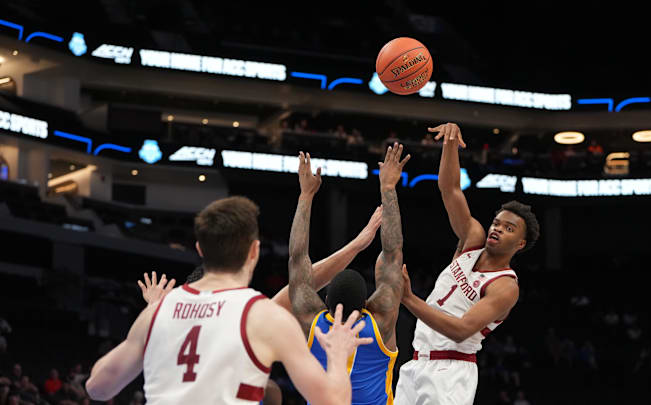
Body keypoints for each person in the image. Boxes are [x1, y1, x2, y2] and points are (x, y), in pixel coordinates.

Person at [85, 195, 373, 405]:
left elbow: (97, 388)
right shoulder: (264, 317)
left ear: (199, 248)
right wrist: (337, 355)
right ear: (254, 252)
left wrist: (151, 321)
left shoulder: (157, 314)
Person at [394, 123, 540, 405]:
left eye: (509, 228)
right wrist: (449, 143)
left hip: (451, 372)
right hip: (415, 362)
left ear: (520, 244)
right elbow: (450, 189)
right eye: (497, 222)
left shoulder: (505, 286)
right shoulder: (472, 239)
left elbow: (462, 330)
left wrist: (409, 299)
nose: (497, 229)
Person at [288, 145, 409, 404]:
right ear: (367, 303)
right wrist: (388, 188)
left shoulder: (312, 323)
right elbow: (393, 252)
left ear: (326, 300)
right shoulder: (381, 321)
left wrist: (306, 195)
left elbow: (298, 260)